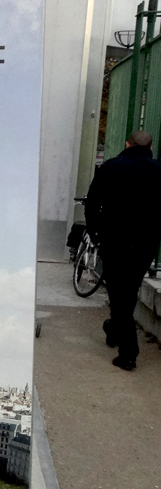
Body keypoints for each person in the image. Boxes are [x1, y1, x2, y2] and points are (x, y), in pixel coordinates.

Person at [86, 130, 161, 369]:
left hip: (114, 240)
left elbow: (92, 202)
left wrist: (95, 232)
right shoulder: (158, 170)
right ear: (150, 148)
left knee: (119, 293)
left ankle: (128, 352)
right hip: (145, 243)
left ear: (127, 143)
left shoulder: (110, 167)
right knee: (128, 290)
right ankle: (114, 328)